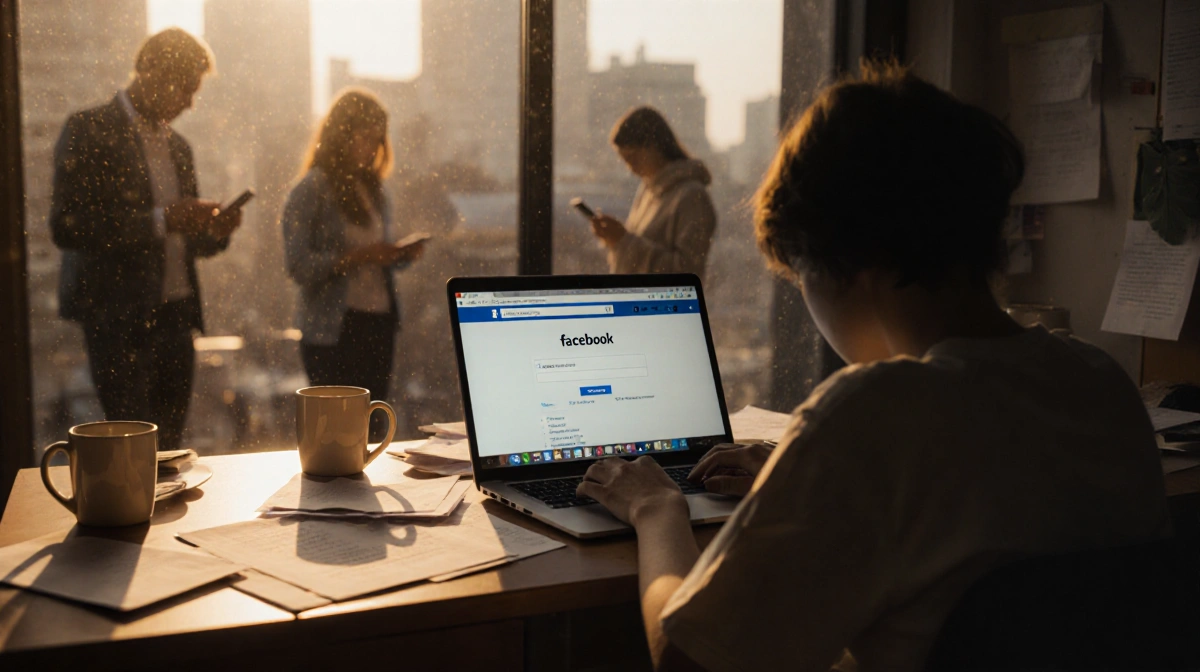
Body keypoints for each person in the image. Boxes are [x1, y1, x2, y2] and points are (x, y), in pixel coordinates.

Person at [575, 62, 1171, 672]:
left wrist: (657, 510)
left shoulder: (869, 413)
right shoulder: (1102, 385)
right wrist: (799, 484)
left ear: (842, 261)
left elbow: (685, 663)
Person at [49, 28, 242, 452]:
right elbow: (67, 226)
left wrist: (213, 231)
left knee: (170, 449)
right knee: (131, 449)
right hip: (119, 322)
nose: (191, 102)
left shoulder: (180, 147)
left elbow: (184, 242)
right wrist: (161, 220)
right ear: (152, 71)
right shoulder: (88, 129)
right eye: (186, 88)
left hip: (176, 318)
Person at [282, 89, 425, 438]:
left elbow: (379, 261)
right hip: (334, 329)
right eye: (365, 138)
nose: (372, 149)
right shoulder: (312, 190)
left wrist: (398, 256)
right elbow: (299, 266)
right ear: (341, 135)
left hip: (379, 322)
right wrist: (355, 258)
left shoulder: (375, 190)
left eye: (378, 140)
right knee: (335, 434)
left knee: (372, 427)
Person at [589, 106, 716, 278]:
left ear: (653, 146)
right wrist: (615, 240)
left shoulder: (692, 197)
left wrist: (624, 241)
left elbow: (688, 273)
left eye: (632, 157)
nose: (630, 168)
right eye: (625, 160)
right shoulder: (649, 190)